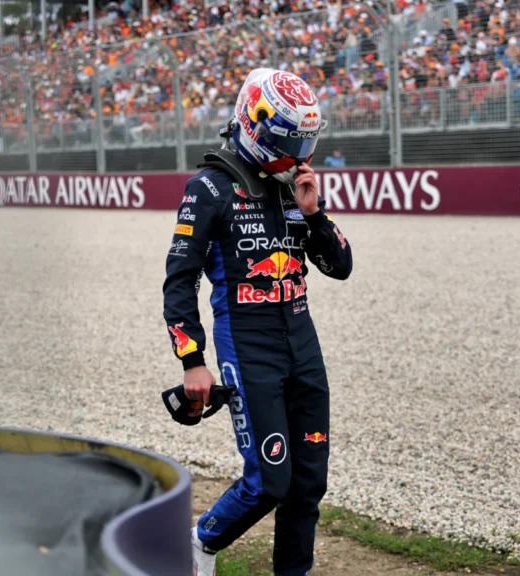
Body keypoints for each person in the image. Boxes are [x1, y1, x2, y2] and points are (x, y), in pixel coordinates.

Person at [162, 68, 353, 576]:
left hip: (303, 345)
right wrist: (192, 360)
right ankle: (200, 541)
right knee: (269, 482)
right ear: (254, 125)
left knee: (308, 484)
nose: (297, 155)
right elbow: (179, 281)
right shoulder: (208, 188)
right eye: (289, 142)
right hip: (248, 348)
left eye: (304, 142)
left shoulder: (297, 187)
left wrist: (314, 214)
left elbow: (341, 266)